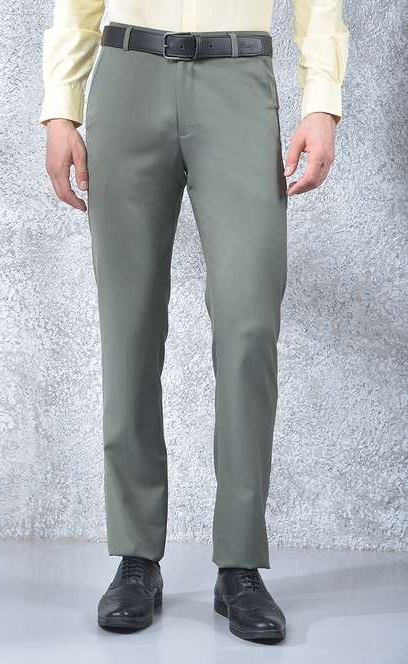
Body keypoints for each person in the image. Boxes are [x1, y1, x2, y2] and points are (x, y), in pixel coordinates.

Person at [39, 1, 349, 644]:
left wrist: (322, 101)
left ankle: (240, 563)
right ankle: (135, 557)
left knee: (249, 324)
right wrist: (61, 106)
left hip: (238, 78)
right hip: (127, 74)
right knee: (128, 327)